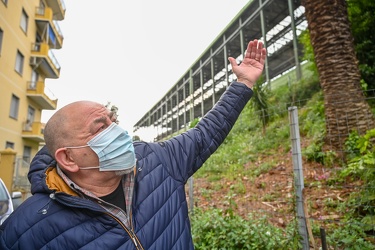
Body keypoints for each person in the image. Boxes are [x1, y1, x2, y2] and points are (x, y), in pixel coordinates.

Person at [0, 39, 266, 249]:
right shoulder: (24, 231)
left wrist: (243, 83)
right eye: (100, 127)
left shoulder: (156, 161)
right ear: (68, 158)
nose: (116, 130)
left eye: (112, 120)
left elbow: (205, 134)